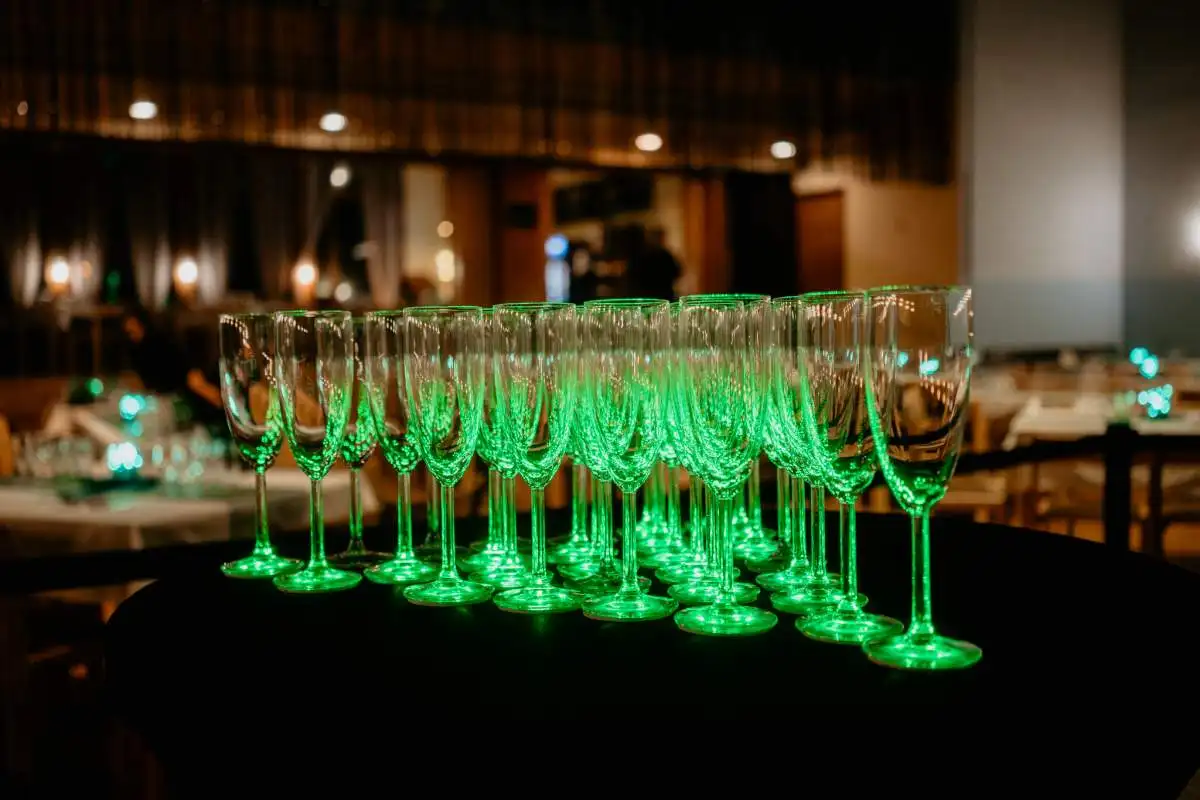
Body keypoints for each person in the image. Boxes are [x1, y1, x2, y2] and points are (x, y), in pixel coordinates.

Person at [121, 307, 226, 434]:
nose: (132, 334)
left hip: (180, 400)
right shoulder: (136, 349)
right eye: (129, 332)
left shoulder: (163, 344)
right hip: (164, 401)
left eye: (134, 329)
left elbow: (192, 379)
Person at [626, 228, 682, 300]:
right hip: (662, 295)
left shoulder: (639, 254)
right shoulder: (664, 254)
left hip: (647, 296)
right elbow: (677, 272)